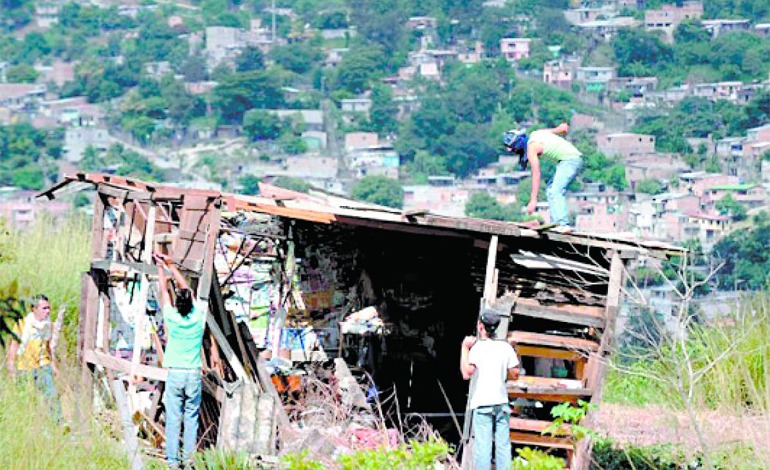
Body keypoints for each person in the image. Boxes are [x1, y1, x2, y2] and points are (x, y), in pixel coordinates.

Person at [154, 253, 206, 469]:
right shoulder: (198, 317)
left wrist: (160, 268)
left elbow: (163, 291)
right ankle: (189, 460)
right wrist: (171, 265)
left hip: (175, 373)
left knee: (173, 418)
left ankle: (172, 462)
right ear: (191, 301)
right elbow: (187, 290)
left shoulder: (172, 318)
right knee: (191, 418)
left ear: (177, 304)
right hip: (193, 373)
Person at [460, 311, 520, 470]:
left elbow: (466, 373)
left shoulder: (477, 348)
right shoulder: (505, 347)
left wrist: (465, 348)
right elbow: (515, 374)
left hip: (483, 404)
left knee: (483, 448)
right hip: (501, 403)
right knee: (503, 447)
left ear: (480, 327)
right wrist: (514, 350)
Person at [503, 123, 583, 227]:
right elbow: (558, 129)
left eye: (514, 150)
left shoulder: (531, 149)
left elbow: (536, 174)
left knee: (555, 191)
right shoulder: (536, 133)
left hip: (570, 161)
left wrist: (533, 200)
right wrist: (563, 128)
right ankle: (556, 223)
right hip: (571, 159)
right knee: (550, 190)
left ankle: (562, 223)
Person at [6, 294, 63, 423]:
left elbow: (47, 347)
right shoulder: (22, 324)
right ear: (34, 309)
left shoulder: (48, 325)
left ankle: (59, 424)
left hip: (43, 365)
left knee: (51, 396)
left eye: (48, 308)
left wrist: (53, 366)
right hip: (25, 367)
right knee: (27, 400)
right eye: (44, 308)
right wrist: (11, 367)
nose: (47, 311)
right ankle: (29, 425)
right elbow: (13, 347)